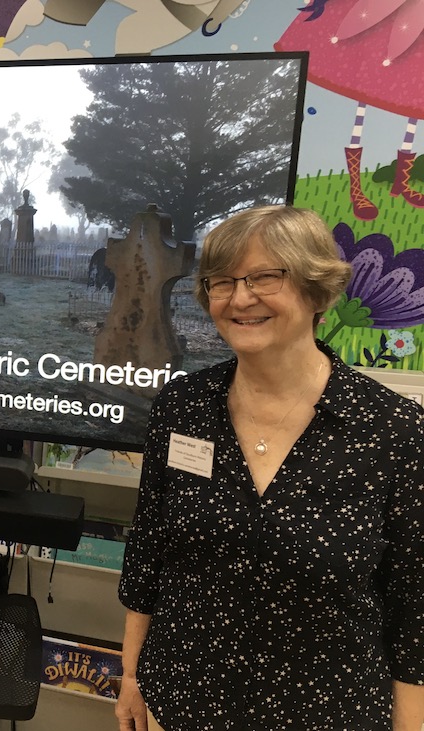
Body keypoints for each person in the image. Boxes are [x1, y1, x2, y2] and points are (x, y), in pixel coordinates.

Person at [115, 205, 424, 731]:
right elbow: (149, 552)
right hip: (180, 705)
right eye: (222, 281)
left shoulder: (392, 431)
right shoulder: (182, 406)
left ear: (316, 289)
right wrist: (129, 676)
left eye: (264, 277)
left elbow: (411, 607)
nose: (239, 298)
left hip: (326, 714)